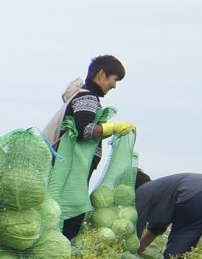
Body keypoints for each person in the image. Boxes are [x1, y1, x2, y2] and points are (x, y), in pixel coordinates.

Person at [46, 54, 135, 239]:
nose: (114, 85)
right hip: (70, 172)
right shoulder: (88, 98)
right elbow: (82, 129)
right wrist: (111, 128)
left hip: (72, 170)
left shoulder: (83, 97)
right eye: (114, 79)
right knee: (72, 214)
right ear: (101, 74)